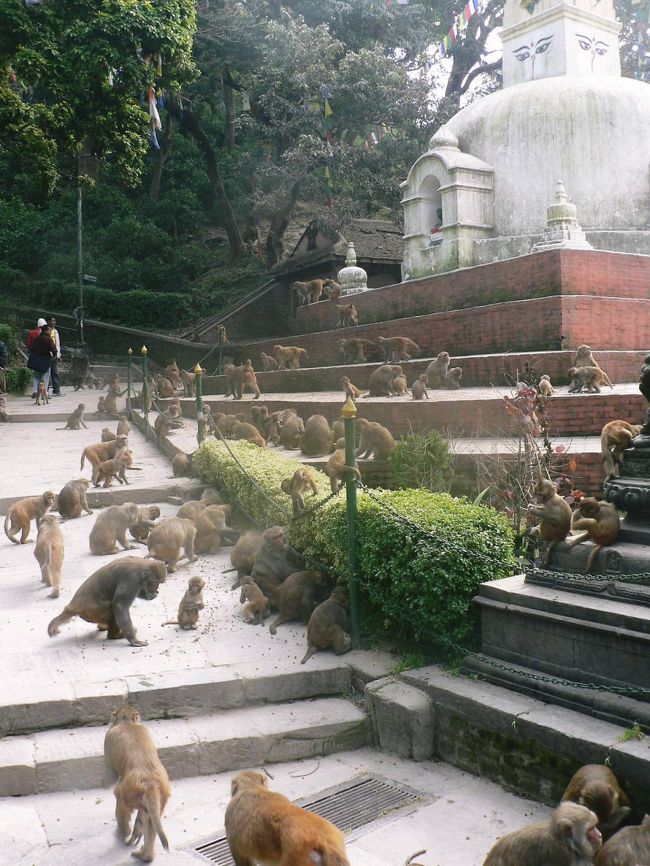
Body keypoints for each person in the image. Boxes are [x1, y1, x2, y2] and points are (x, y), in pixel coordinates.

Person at [27, 322, 55, 399]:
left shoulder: (36, 339)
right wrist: (54, 356)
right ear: (45, 331)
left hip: (36, 360)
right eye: (49, 330)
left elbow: (31, 348)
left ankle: (35, 391)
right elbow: (53, 349)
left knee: (36, 376)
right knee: (46, 377)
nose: (50, 332)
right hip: (46, 360)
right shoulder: (49, 339)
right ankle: (44, 393)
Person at [46, 315, 62, 396]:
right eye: (52, 321)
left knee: (55, 373)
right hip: (46, 355)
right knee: (46, 373)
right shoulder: (45, 330)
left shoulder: (55, 331)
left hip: (54, 355)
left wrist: (58, 355)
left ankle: (56, 390)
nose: (54, 322)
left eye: (54, 321)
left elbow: (57, 344)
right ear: (48, 321)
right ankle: (45, 391)